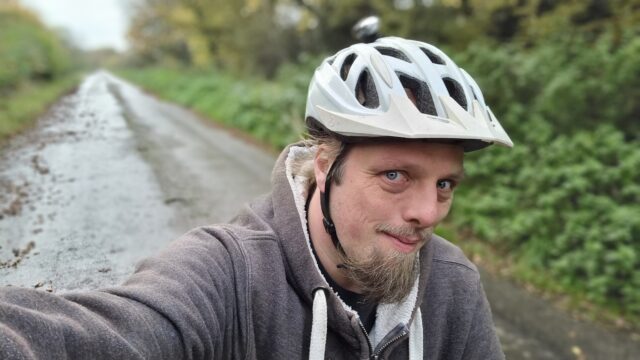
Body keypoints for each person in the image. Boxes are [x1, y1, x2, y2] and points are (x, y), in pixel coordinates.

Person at [0, 36, 512, 359]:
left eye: (445, 184)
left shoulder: (452, 284)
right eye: (396, 176)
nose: (427, 213)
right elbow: (109, 332)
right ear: (325, 165)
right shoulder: (230, 273)